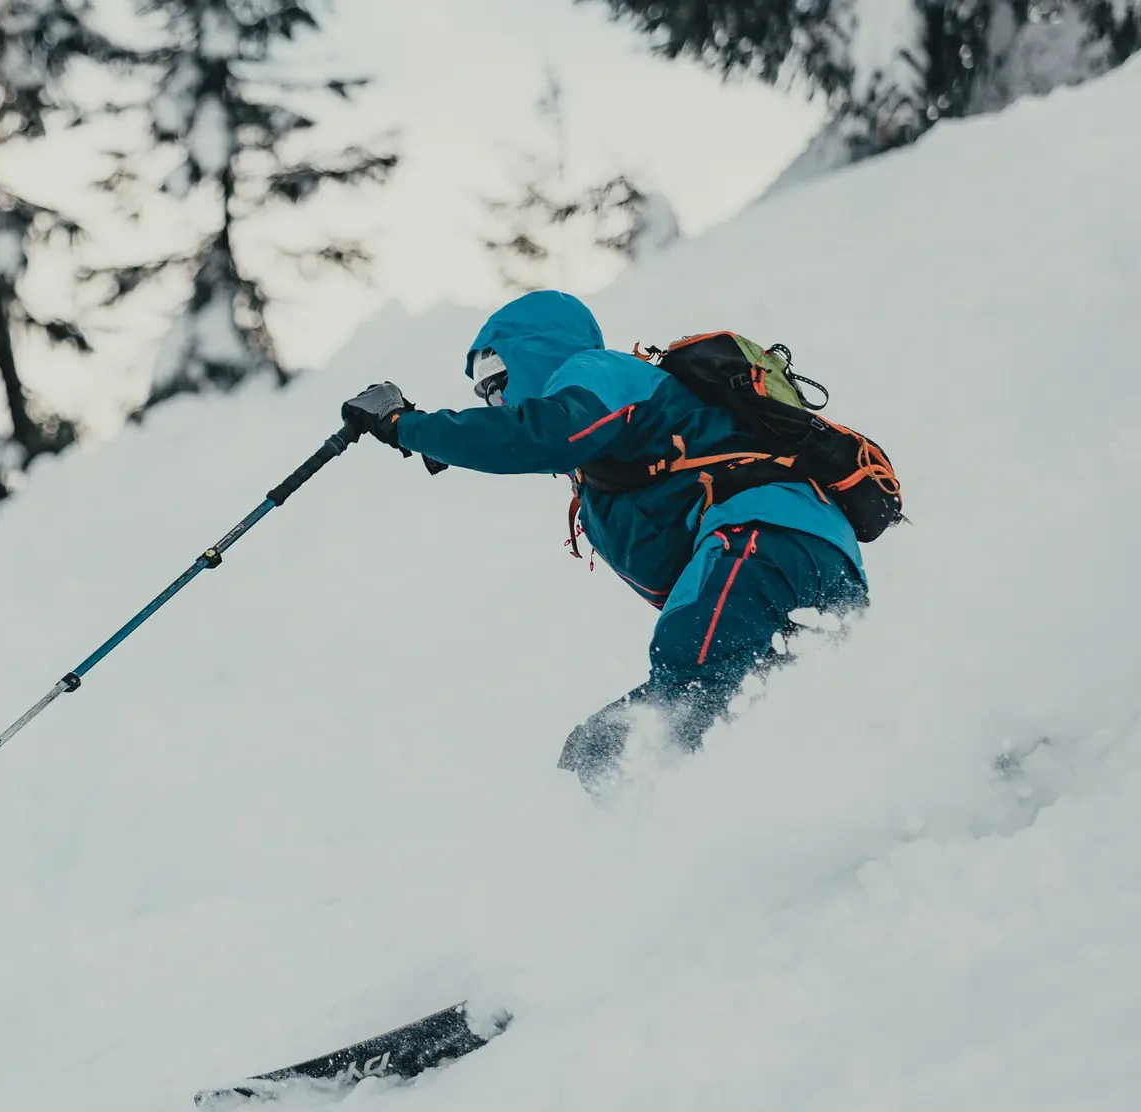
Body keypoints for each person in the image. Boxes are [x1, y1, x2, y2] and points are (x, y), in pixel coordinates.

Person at [340, 289, 868, 789]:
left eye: (497, 376)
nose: (492, 396)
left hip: (761, 540)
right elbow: (526, 438)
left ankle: (674, 851)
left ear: (534, 352)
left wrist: (407, 425)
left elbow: (538, 435)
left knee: (672, 707)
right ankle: (824, 830)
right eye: (482, 389)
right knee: (743, 724)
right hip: (808, 559)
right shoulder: (602, 441)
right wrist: (455, 442)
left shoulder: (597, 371)